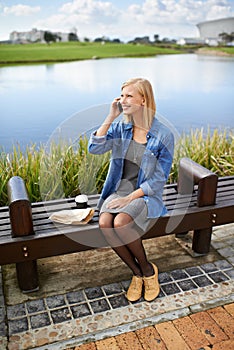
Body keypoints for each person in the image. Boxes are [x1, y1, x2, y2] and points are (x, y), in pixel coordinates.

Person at [88, 78, 174, 302]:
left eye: (129, 96)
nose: (122, 100)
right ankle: (137, 273)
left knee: (121, 222)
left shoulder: (163, 135)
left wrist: (130, 199)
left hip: (144, 194)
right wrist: (110, 117)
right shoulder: (120, 127)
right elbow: (94, 148)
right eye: (121, 95)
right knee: (105, 223)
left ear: (143, 100)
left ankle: (147, 270)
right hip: (118, 190)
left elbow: (159, 178)